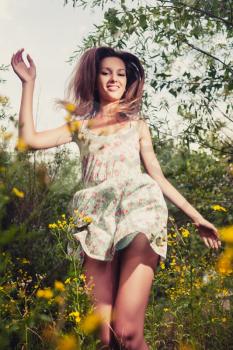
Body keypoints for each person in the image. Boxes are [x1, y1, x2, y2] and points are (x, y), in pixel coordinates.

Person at [11, 47, 221, 350]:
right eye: (106, 72)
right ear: (93, 78)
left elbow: (158, 176)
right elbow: (29, 140)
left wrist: (197, 216)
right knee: (107, 336)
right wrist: (28, 84)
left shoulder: (137, 124)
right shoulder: (79, 125)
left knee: (127, 333)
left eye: (121, 74)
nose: (114, 79)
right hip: (95, 220)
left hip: (139, 210)